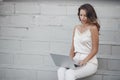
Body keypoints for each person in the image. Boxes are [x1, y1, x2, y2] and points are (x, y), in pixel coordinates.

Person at [57, 3, 100, 80]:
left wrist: (84, 61)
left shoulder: (93, 28)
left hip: (89, 62)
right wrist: (69, 62)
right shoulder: (76, 28)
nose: (82, 18)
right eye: (81, 15)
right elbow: (72, 48)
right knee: (61, 70)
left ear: (90, 16)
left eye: (85, 15)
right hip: (76, 60)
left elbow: (95, 50)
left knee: (69, 73)